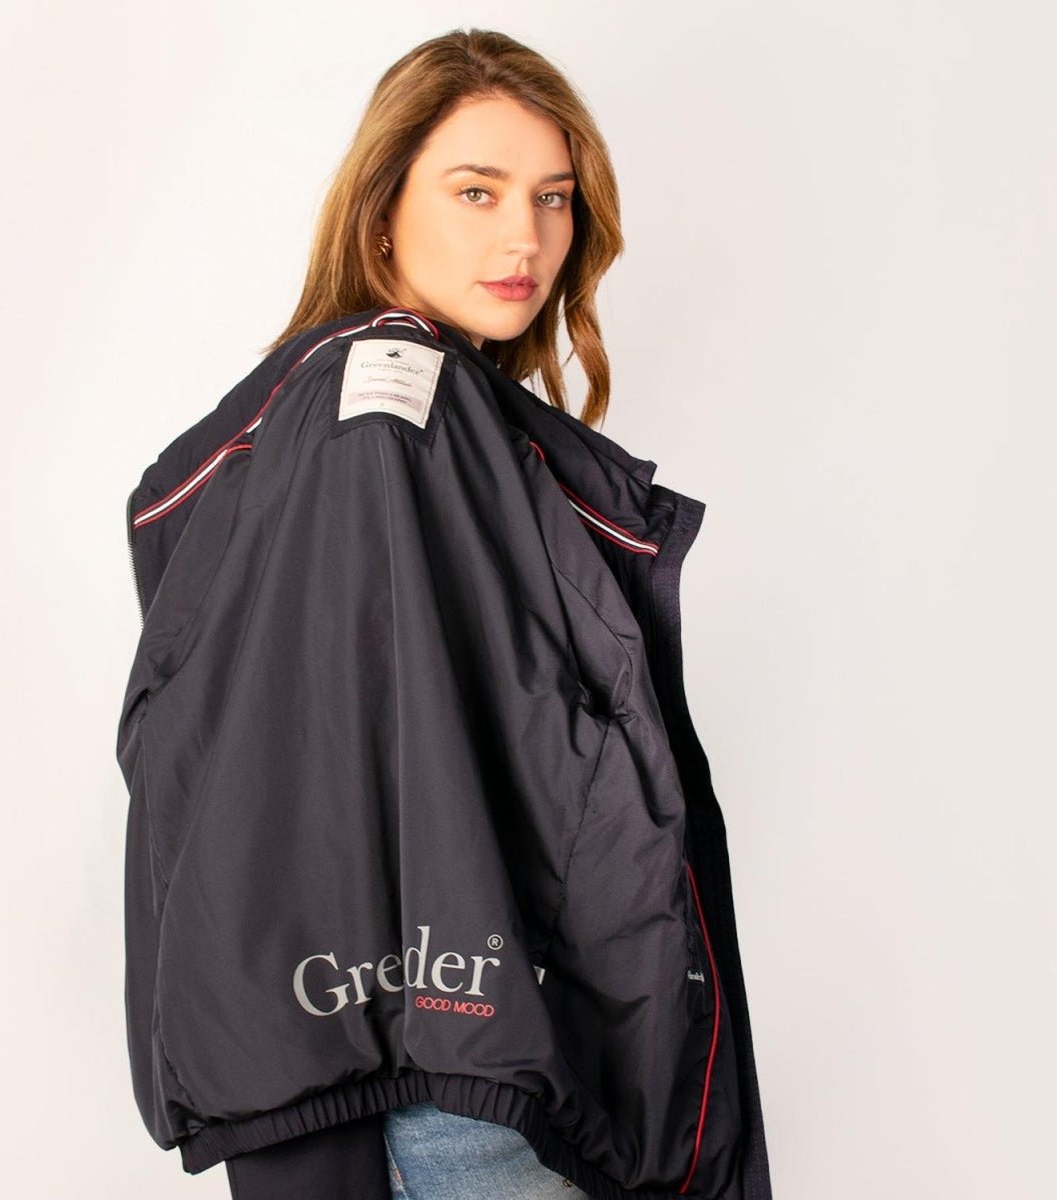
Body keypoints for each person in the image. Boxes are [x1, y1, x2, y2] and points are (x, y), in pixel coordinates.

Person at [118, 25, 771, 1200]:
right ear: (382, 210)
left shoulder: (357, 410)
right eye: (477, 191)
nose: (525, 237)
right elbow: (382, 769)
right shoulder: (385, 420)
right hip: (455, 1087)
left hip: (441, 1061)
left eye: (553, 197)